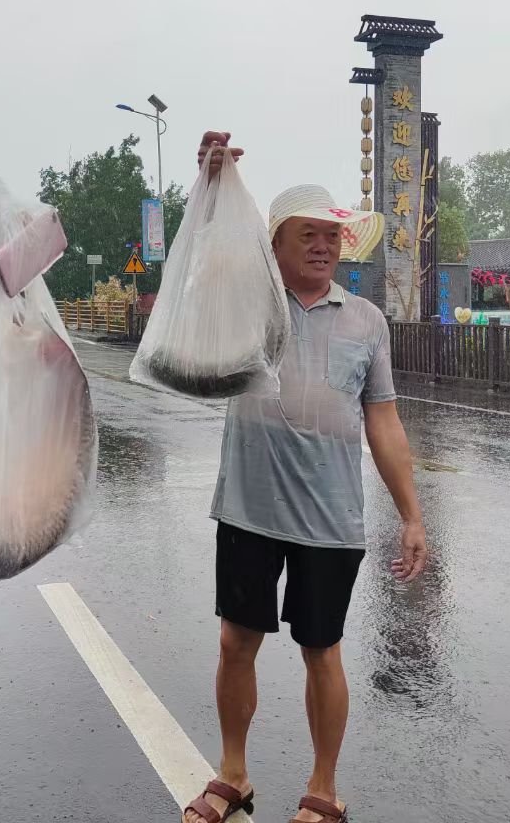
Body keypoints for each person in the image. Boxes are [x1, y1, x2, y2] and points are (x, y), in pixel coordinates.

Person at [182, 131, 429, 823]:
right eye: (306, 236)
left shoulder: (367, 322)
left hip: (330, 518)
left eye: (332, 236)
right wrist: (211, 182)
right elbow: (203, 255)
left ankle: (323, 791)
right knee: (237, 641)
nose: (322, 246)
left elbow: (383, 422)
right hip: (249, 509)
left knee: (322, 650)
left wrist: (410, 514)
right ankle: (234, 773)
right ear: (276, 245)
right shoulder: (248, 302)